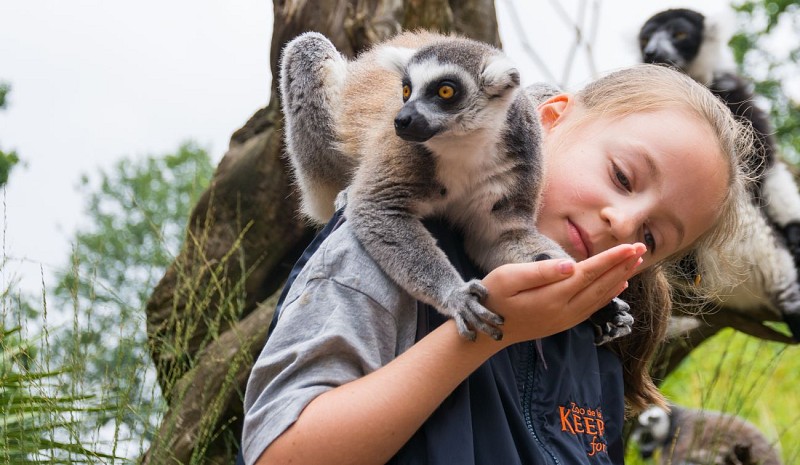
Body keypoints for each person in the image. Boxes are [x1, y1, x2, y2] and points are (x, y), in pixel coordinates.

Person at [241, 64, 752, 465]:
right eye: (622, 176)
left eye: (651, 236)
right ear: (549, 118)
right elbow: (280, 452)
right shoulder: (395, 239)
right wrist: (488, 330)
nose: (623, 222)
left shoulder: (595, 352)